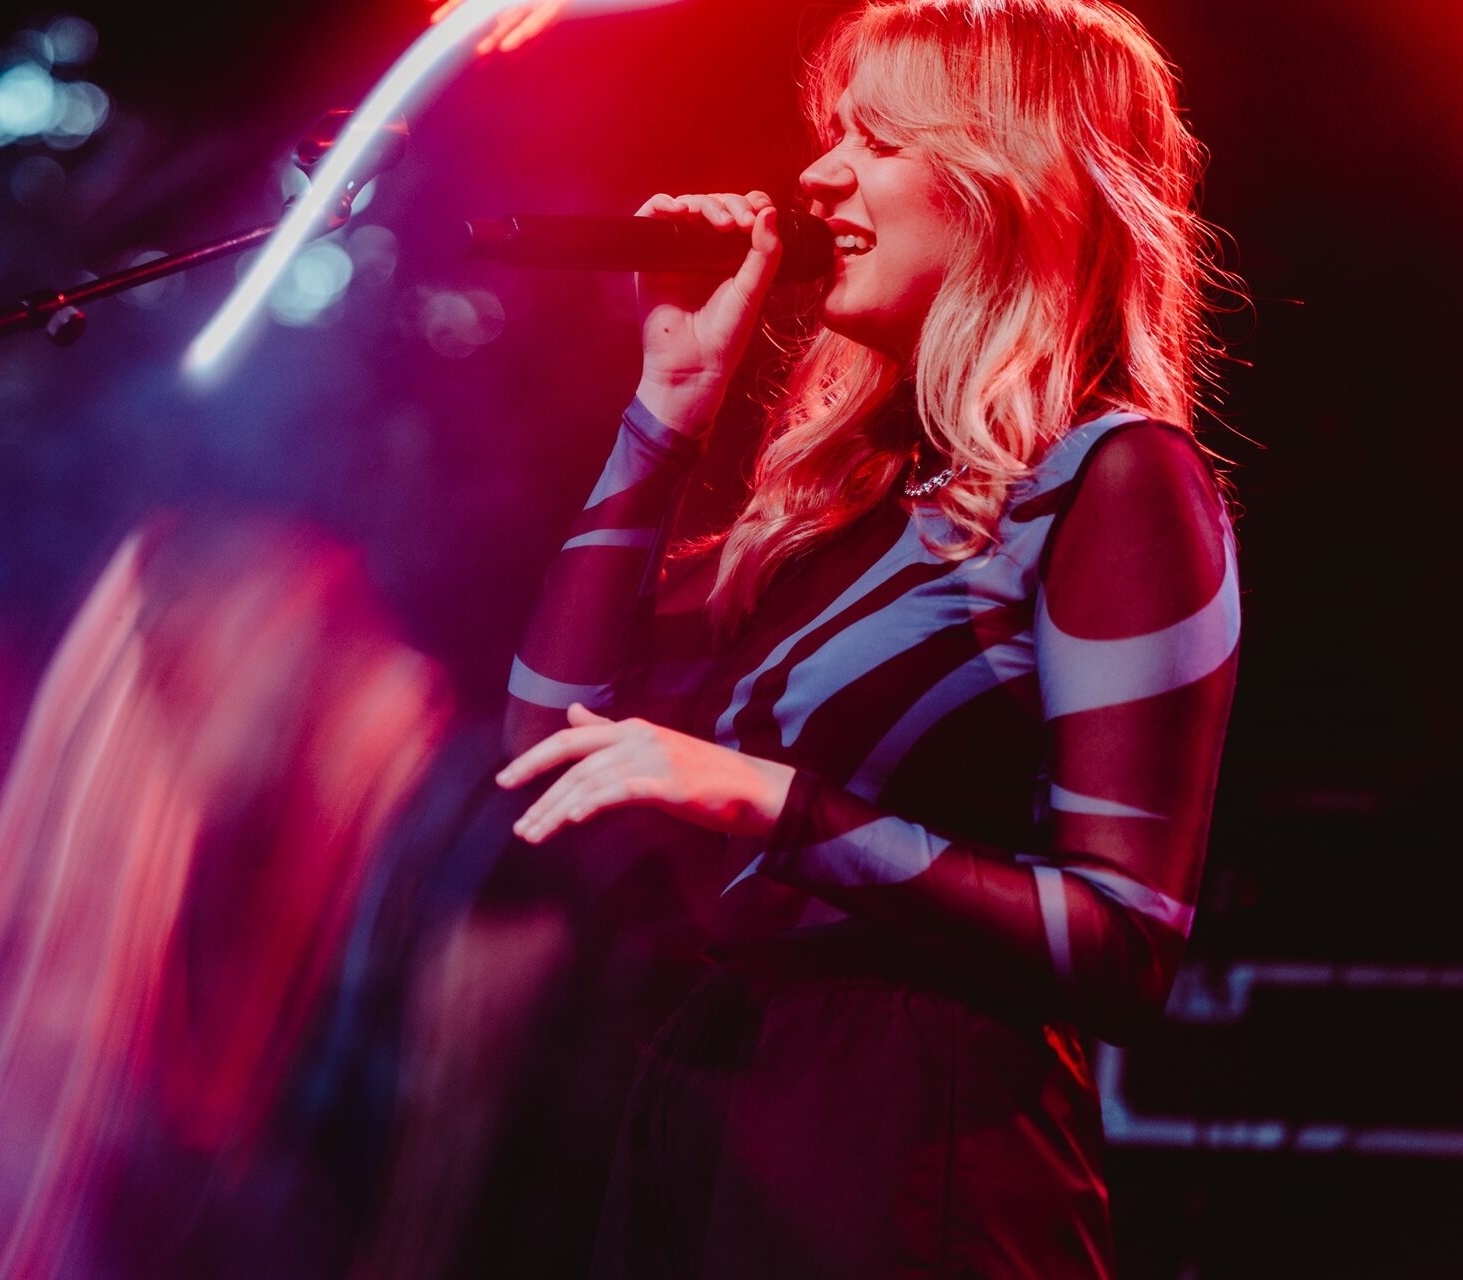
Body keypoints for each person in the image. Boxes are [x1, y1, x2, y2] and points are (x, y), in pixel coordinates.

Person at [494, 0, 1240, 1274]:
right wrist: (667, 406)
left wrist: (770, 802)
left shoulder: (1115, 480)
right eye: (833, 134)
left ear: (1013, 185)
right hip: (719, 1096)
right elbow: (548, 740)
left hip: (912, 1133)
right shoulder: (843, 501)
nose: (819, 175)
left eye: (879, 141)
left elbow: (1124, 943)